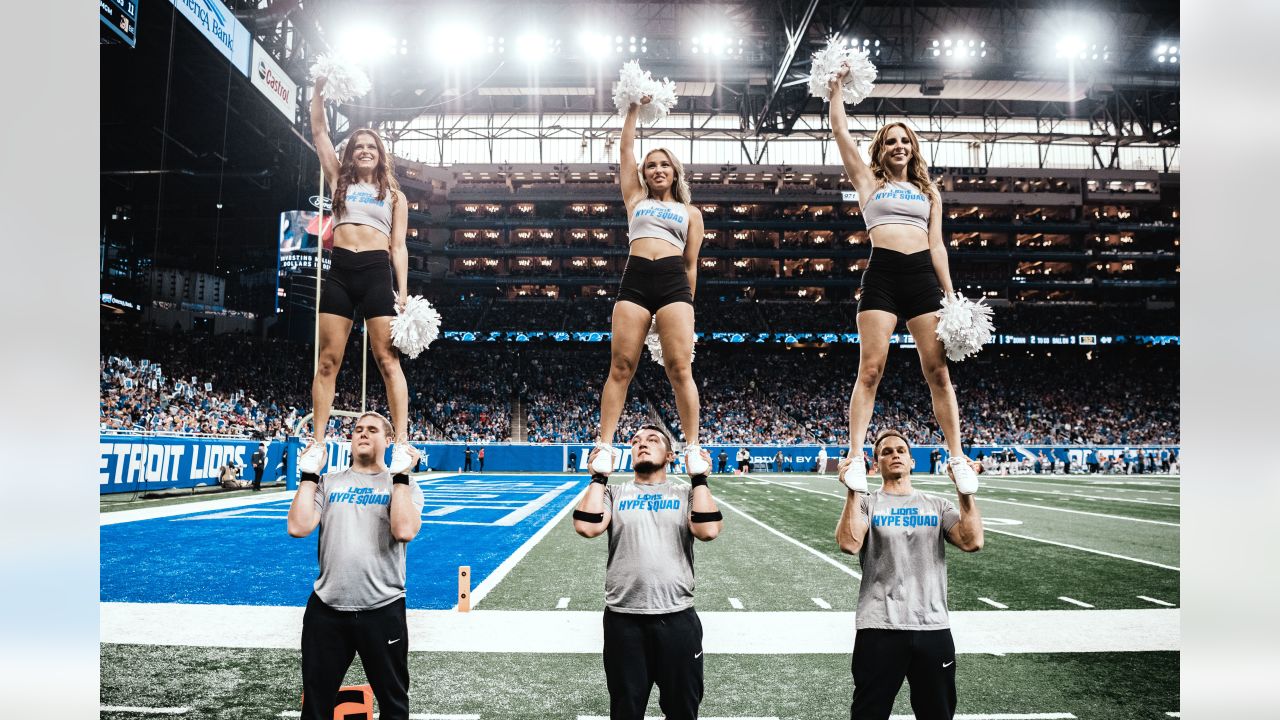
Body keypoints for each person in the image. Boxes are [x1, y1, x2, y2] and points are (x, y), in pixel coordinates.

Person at [827, 67, 980, 497]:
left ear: (913, 148)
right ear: (881, 149)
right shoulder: (868, 180)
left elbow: (938, 247)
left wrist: (951, 298)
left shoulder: (931, 193)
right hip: (882, 274)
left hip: (920, 278)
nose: (898, 145)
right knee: (871, 369)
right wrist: (836, 87)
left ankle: (956, 458)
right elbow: (839, 129)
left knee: (938, 372)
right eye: (890, 140)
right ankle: (856, 456)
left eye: (905, 139)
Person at [299, 76, 414, 479]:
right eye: (358, 147)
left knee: (387, 360)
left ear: (381, 155)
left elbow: (398, 246)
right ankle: (317, 444)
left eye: (371, 147)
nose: (364, 151)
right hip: (341, 271)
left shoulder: (396, 197)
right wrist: (318, 90)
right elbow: (319, 131)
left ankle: (401, 443)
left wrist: (403, 293)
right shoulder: (338, 181)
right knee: (328, 361)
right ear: (351, 154)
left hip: (377, 274)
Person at [591, 94, 708, 480]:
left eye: (664, 165)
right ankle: (605, 446)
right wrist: (633, 109)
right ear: (644, 173)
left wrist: (687, 304)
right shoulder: (635, 198)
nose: (658, 169)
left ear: (675, 172)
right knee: (621, 366)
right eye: (651, 165)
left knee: (680, 368)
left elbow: (690, 264)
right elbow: (625, 150)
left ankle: (692, 447)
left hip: (674, 284)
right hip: (636, 279)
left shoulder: (691, 213)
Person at [573, 424, 722, 720]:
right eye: (636, 441)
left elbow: (708, 530)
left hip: (677, 617)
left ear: (669, 455)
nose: (642, 444)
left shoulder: (685, 492)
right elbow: (587, 527)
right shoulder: (614, 492)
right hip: (623, 620)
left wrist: (700, 479)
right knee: (625, 711)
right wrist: (599, 476)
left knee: (683, 711)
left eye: (652, 440)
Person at [834, 429, 983, 720]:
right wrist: (853, 487)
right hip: (879, 626)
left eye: (901, 450)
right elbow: (849, 544)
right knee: (868, 715)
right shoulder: (867, 503)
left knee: (937, 715)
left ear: (912, 461)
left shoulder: (938, 505)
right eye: (886, 452)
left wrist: (965, 492)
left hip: (932, 625)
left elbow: (972, 540)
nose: (895, 455)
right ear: (875, 464)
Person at [286, 411, 424, 720]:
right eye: (358, 429)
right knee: (316, 707)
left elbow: (404, 531)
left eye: (372, 429)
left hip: (382, 608)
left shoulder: (403, 484)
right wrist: (309, 475)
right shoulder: (329, 481)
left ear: (389, 441)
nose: (362, 433)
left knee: (393, 706)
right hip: (326, 610)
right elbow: (298, 526)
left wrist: (400, 476)